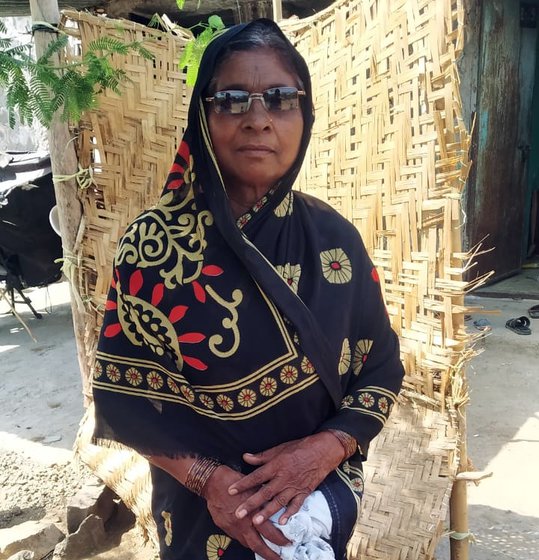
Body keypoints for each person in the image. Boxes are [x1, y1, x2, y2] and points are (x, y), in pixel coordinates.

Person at [92, 18, 405, 560]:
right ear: (203, 117)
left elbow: (381, 367)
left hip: (315, 505)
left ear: (305, 117)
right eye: (233, 100)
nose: (258, 120)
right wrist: (210, 482)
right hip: (200, 516)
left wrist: (325, 450)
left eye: (281, 99)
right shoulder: (153, 247)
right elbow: (124, 398)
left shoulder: (334, 240)